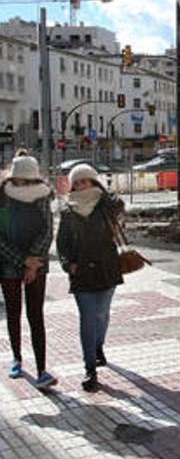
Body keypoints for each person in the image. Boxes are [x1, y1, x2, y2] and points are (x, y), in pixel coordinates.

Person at [57, 163, 124, 392]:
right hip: (82, 272)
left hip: (106, 268)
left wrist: (106, 194)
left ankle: (98, 347)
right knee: (87, 318)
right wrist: (69, 265)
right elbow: (62, 244)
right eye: (76, 183)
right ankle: (90, 370)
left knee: (101, 314)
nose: (80, 186)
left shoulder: (105, 206)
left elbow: (120, 206)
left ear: (93, 182)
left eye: (84, 181)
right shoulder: (68, 211)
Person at [0, 150, 56, 389]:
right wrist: (24, 260)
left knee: (36, 315)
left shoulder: (42, 196)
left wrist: (34, 260)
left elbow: (47, 231)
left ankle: (42, 369)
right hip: (8, 262)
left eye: (28, 179)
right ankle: (17, 359)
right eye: (19, 178)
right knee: (13, 313)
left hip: (37, 264)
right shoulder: (3, 196)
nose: (22, 183)